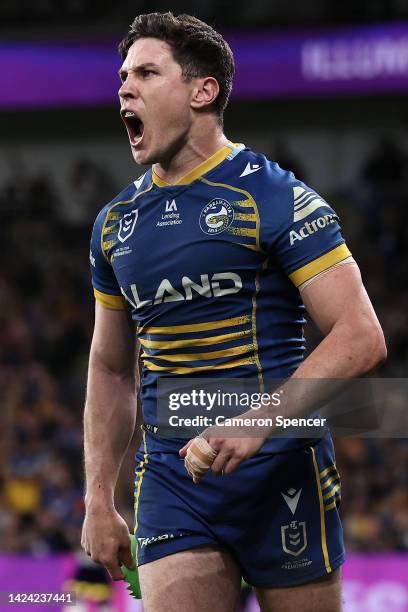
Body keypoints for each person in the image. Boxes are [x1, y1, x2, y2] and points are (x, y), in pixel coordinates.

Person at [81, 12, 386, 612]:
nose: (125, 88)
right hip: (173, 479)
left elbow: (361, 335)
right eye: (122, 76)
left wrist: (257, 420)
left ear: (202, 91)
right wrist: (97, 498)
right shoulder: (115, 225)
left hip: (283, 473)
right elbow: (111, 369)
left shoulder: (273, 196)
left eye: (145, 72)